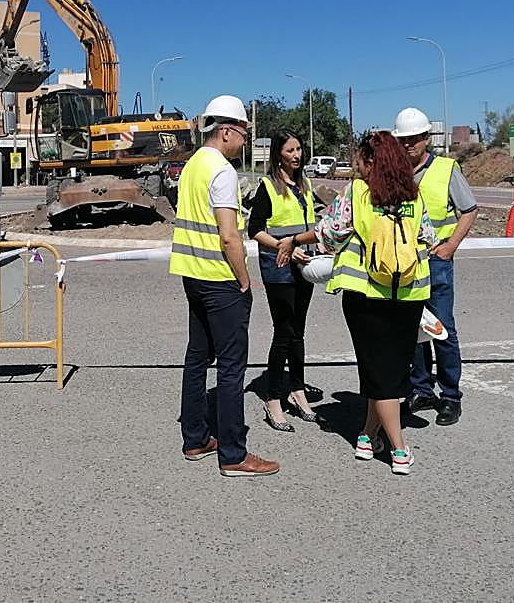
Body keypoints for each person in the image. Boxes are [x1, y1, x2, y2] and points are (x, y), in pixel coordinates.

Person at [278, 131, 432, 475]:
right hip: (409, 294)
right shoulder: (414, 195)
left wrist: (295, 242)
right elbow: (429, 237)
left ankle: (399, 448)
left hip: (366, 295)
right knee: (390, 371)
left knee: (379, 375)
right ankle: (366, 436)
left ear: (370, 160)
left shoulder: (358, 193)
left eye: (359, 160)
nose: (356, 166)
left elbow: (330, 234)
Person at [171, 95, 280, 478]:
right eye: (245, 132)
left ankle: (196, 438)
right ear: (228, 130)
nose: (247, 139)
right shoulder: (222, 170)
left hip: (191, 275)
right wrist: (245, 281)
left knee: (197, 357)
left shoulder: (192, 165)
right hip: (220, 280)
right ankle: (233, 454)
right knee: (232, 368)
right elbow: (229, 236)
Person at [392, 107, 478, 426]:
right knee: (413, 330)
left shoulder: (445, 169)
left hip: (436, 262)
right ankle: (420, 389)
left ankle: (451, 396)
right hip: (405, 264)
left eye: (414, 139)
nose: (409, 145)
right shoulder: (396, 173)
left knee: (442, 330)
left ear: (427, 138)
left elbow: (468, 210)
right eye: (403, 140)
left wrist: (451, 244)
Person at [247, 130, 319, 432]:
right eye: (291, 150)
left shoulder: (305, 185)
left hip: (306, 266)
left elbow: (316, 221)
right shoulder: (267, 186)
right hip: (279, 268)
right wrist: (284, 246)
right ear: (279, 154)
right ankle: (273, 396)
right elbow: (255, 229)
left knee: (298, 332)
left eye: (299, 149)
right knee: (284, 331)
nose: (297, 155)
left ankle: (297, 389)